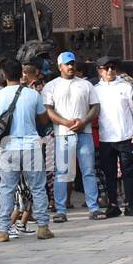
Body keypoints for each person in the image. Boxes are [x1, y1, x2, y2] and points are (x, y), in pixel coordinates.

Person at [0, 58, 54, 242]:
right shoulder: (32, 95)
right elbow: (43, 120)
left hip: (8, 147)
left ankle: (2, 230)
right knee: (38, 188)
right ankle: (43, 227)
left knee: (7, 189)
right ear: (22, 74)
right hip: (31, 146)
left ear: (3, 75)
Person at [42, 51, 103, 221]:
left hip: (84, 132)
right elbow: (48, 110)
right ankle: (61, 209)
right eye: (67, 64)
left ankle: (94, 207)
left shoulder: (85, 85)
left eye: (72, 63)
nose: (70, 67)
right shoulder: (51, 86)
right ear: (60, 66)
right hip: (63, 134)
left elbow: (95, 107)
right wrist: (65, 122)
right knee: (62, 172)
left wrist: (83, 121)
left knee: (88, 170)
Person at [93, 58, 133, 217]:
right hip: (106, 137)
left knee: (129, 172)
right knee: (109, 174)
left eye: (112, 67)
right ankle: (113, 204)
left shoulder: (126, 87)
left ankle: (130, 204)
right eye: (105, 68)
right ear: (99, 70)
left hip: (126, 135)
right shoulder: (95, 90)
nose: (109, 71)